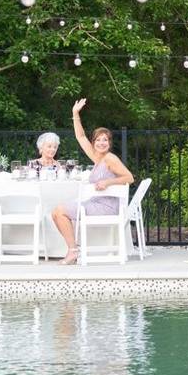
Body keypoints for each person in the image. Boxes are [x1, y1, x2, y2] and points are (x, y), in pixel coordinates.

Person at [51, 99, 134, 265]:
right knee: (56, 212)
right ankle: (73, 249)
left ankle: (73, 251)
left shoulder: (110, 158)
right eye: (98, 140)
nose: (101, 143)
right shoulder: (97, 157)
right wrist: (75, 113)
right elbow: (81, 136)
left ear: (109, 143)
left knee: (59, 212)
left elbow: (129, 178)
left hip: (107, 206)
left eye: (105, 140)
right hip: (95, 202)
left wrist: (107, 183)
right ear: (94, 142)